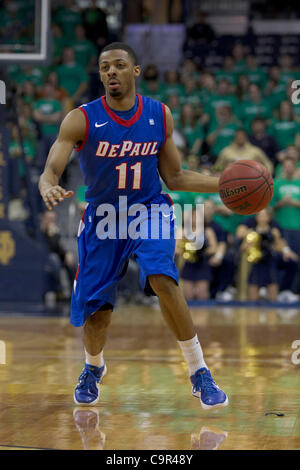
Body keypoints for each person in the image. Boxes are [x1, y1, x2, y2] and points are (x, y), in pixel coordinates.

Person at [38, 42, 228, 410]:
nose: (111, 72)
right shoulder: (80, 118)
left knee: (163, 277)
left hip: (148, 209)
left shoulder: (159, 115)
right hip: (103, 217)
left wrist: (223, 184)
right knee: (98, 311)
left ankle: (199, 371)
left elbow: (174, 176)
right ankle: (93, 367)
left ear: (135, 72)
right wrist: (47, 185)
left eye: (119, 65)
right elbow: (51, 170)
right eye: (104, 67)